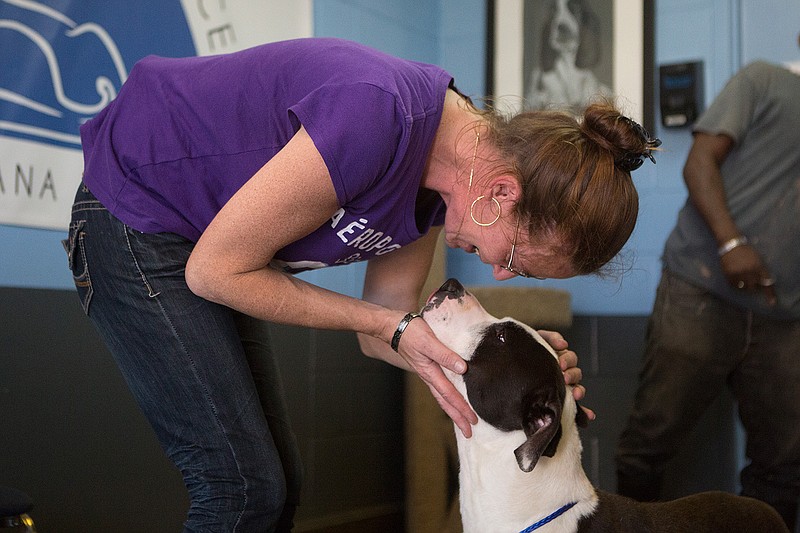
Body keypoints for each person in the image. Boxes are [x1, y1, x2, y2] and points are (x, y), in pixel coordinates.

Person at [63, 37, 657, 532]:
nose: (501, 273)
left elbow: (385, 332)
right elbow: (217, 273)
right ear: (502, 192)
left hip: (202, 246)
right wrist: (388, 325)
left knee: (279, 484)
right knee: (241, 488)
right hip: (135, 214)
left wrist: (508, 372)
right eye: (520, 260)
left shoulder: (434, 196)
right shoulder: (380, 115)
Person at [615, 60, 800, 530]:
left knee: (783, 466)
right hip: (700, 289)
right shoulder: (763, 80)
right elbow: (698, 161)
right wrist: (732, 243)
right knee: (649, 444)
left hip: (785, 316)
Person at [525, 0, 612, 113]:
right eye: (554, 12)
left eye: (573, 11)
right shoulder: (539, 83)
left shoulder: (600, 91)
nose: (561, 21)